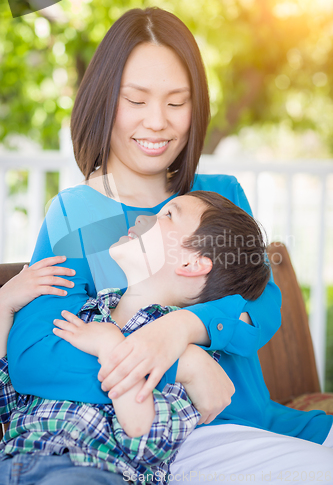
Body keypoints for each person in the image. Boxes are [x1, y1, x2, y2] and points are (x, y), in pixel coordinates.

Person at [3, 6, 333, 483]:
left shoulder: (217, 196)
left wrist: (184, 326)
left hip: (254, 426)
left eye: (176, 103)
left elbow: (262, 310)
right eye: (136, 100)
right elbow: (36, 356)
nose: (157, 122)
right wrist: (180, 364)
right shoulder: (75, 215)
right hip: (157, 445)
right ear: (103, 100)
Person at [0, 189, 271, 484]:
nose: (143, 217)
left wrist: (111, 346)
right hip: (13, 462)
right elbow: (8, 398)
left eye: (167, 215)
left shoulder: (188, 356)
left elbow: (145, 443)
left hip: (94, 473)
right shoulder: (84, 314)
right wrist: (4, 302)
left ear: (191, 264)